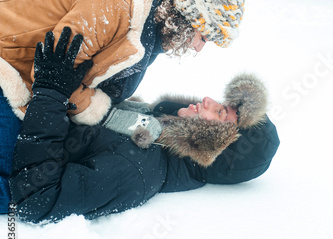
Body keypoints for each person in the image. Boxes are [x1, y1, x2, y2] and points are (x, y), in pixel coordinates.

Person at [0, 0, 247, 212]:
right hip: (9, 68)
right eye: (203, 36)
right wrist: (99, 111)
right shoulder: (116, 8)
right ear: (188, 14)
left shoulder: (149, 30)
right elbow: (52, 70)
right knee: (9, 184)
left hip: (28, 86)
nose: (197, 47)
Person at [9, 28, 279, 223]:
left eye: (220, 112)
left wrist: (50, 95)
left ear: (217, 143)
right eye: (219, 102)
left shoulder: (140, 169)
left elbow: (35, 199)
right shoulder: (144, 122)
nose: (207, 99)